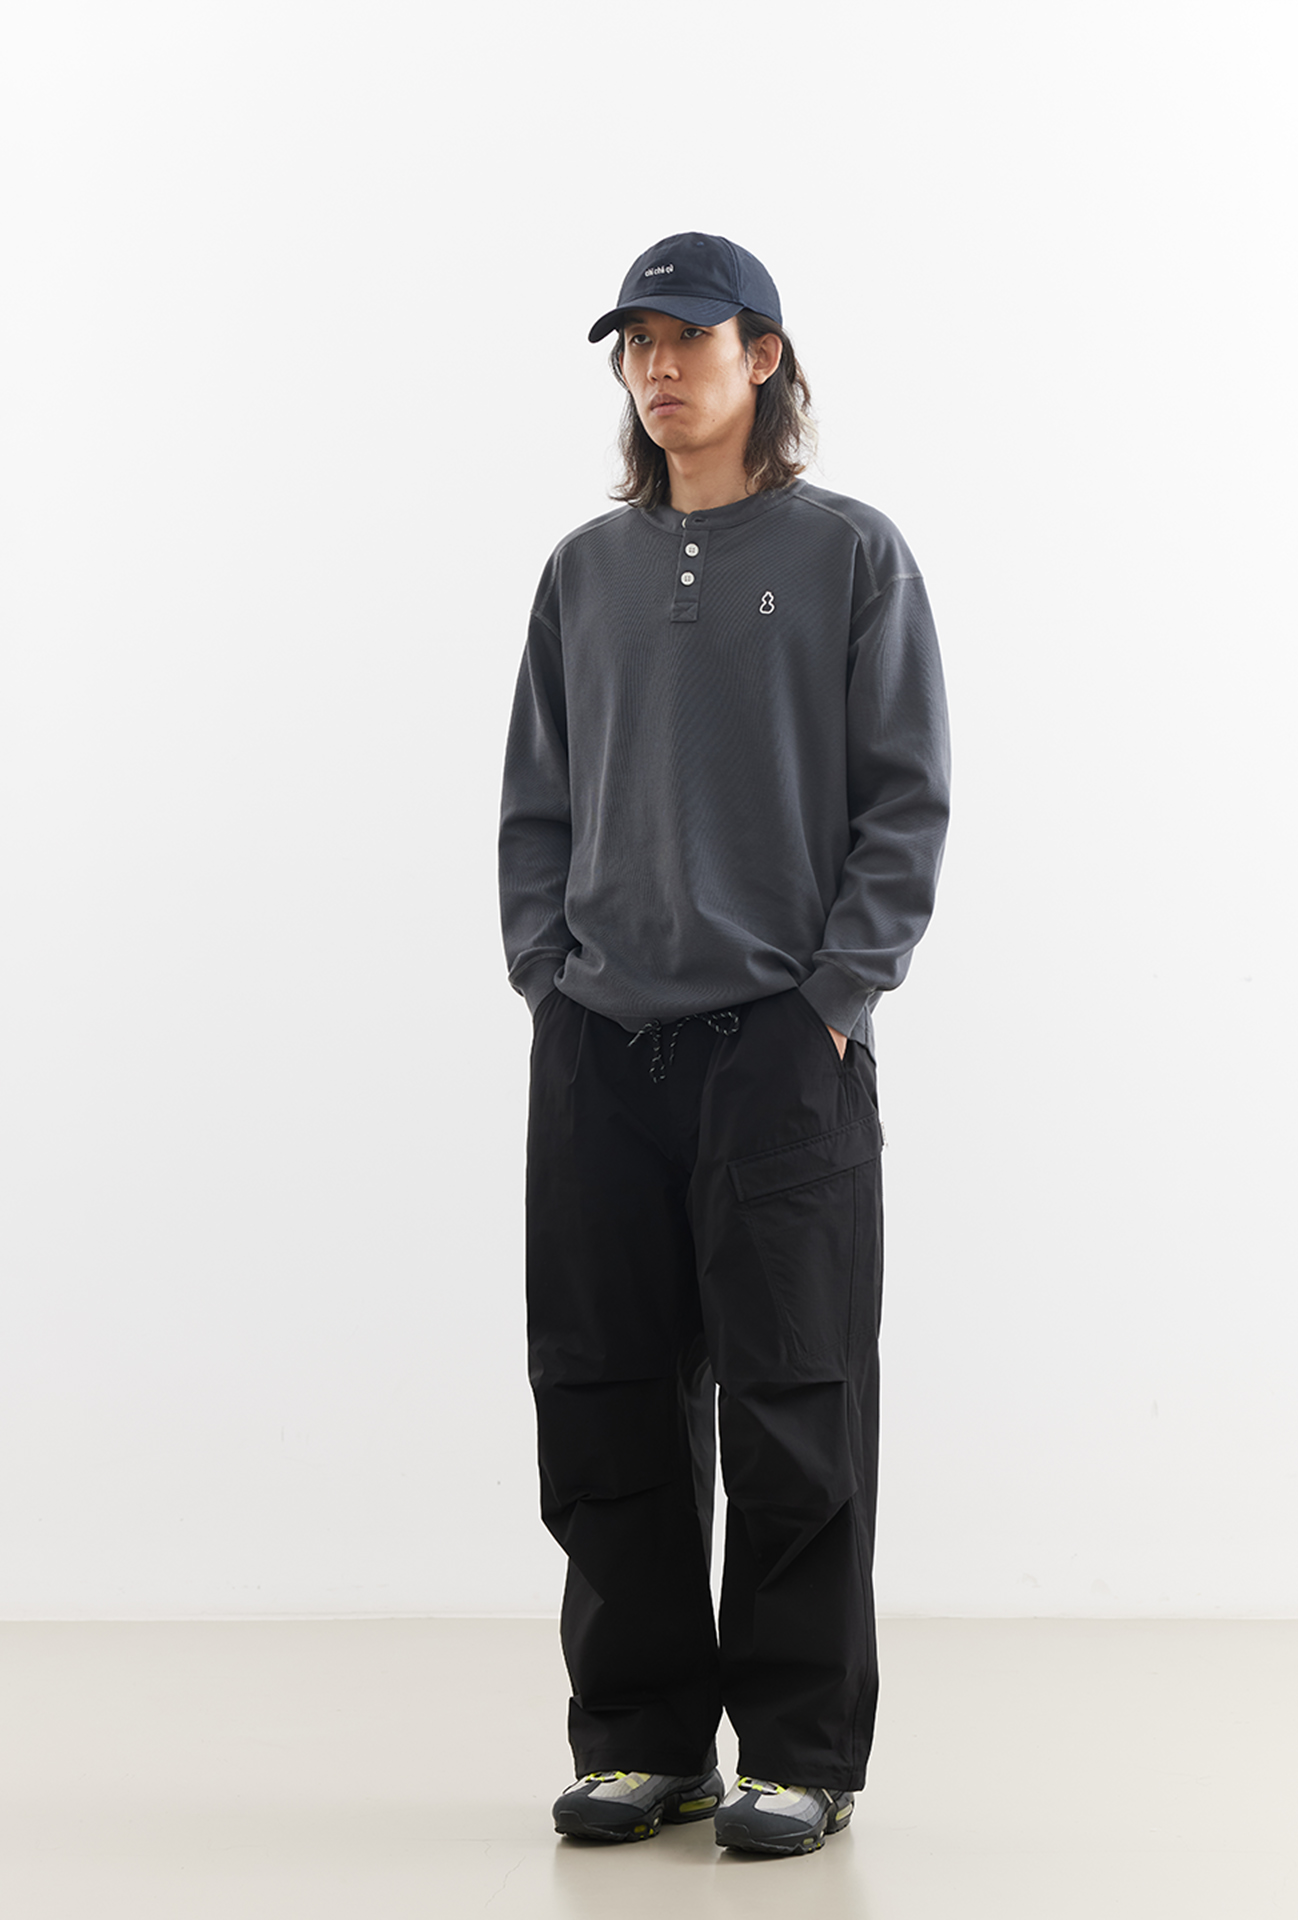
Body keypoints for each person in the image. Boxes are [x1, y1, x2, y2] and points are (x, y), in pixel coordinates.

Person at [498, 231, 950, 1858]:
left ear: (764, 356)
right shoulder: (585, 571)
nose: (659, 368)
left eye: (689, 339)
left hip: (779, 1044)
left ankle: (801, 1754)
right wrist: (548, 979)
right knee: (601, 1396)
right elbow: (536, 801)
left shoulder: (848, 554)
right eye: (637, 344)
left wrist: (832, 1003)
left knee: (794, 1405)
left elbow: (905, 800)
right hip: (599, 1047)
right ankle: (642, 1741)